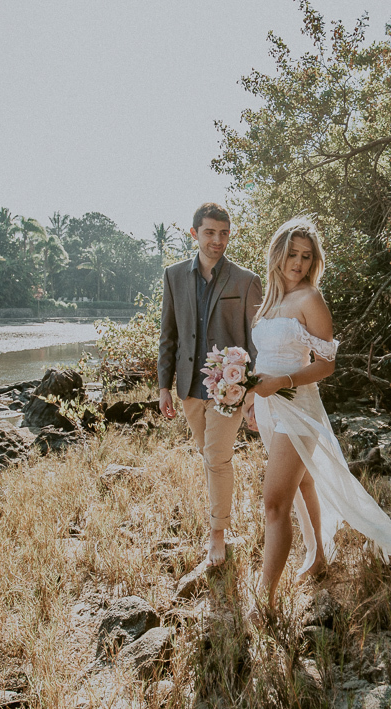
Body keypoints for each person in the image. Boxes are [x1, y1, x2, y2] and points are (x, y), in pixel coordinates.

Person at [247, 217, 391, 620]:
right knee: (302, 484)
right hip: (268, 405)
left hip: (298, 407)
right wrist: (250, 399)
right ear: (277, 254)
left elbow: (327, 366)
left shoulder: (309, 300)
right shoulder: (268, 302)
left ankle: (263, 600)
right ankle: (318, 557)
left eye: (306, 256)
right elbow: (263, 359)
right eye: (292, 254)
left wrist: (281, 380)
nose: (298, 263)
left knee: (273, 502)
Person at [158, 202, 263, 567]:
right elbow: (167, 335)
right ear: (194, 234)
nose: (217, 240)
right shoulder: (173, 276)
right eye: (209, 232)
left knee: (216, 458)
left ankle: (217, 535)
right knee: (210, 458)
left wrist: (250, 393)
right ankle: (224, 515)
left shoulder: (246, 281)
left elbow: (256, 341)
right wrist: (163, 387)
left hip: (230, 388)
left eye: (223, 233)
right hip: (189, 388)